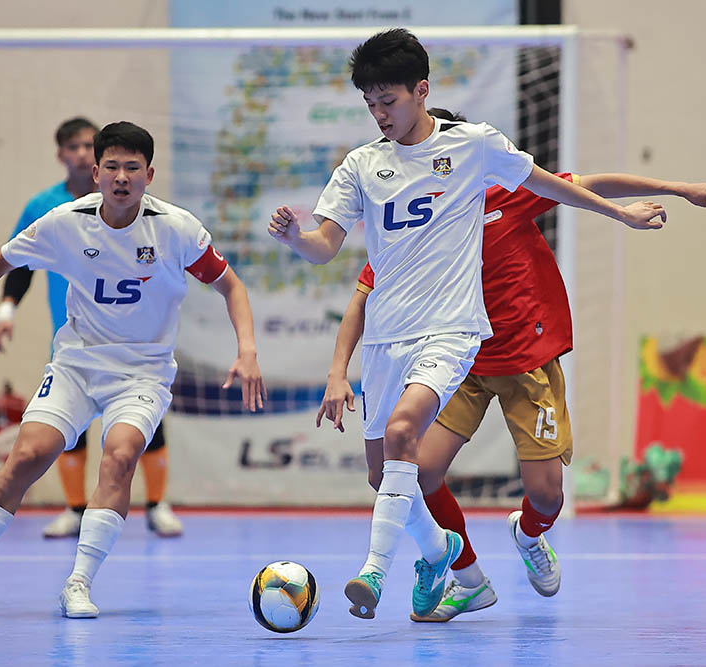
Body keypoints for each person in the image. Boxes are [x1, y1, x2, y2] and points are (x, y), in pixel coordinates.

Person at [268, 29, 667, 620]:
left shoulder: (476, 149)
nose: (379, 115)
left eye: (390, 102)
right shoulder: (361, 165)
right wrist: (295, 239)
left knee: (416, 436)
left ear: (421, 91)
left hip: (457, 334)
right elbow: (326, 247)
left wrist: (621, 214)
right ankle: (448, 555)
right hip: (388, 338)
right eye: (370, 105)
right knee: (389, 477)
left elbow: (555, 182)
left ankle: (375, 572)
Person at [318, 109, 706, 621]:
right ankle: (465, 576)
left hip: (526, 361)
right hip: (458, 359)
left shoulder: (504, 193)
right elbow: (362, 298)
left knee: (546, 496)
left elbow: (588, 183)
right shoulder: (409, 225)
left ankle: (529, 534)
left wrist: (674, 188)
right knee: (419, 469)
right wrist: (338, 369)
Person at [0, 121, 265, 619]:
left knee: (119, 457)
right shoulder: (64, 222)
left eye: (132, 168)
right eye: (111, 166)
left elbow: (232, 287)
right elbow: (1, 262)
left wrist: (246, 350)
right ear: (95, 172)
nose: (121, 177)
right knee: (29, 454)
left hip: (143, 371)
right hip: (76, 363)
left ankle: (78, 583)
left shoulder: (177, 229)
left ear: (149, 174)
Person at [0, 117, 183, 539]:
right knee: (65, 429)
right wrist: (6, 310)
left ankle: (157, 504)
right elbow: (18, 263)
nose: (80, 153)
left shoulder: (150, 215)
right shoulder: (47, 207)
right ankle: (76, 510)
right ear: (64, 156)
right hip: (75, 338)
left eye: (86, 145)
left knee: (140, 430)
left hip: (133, 345)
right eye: (73, 147)